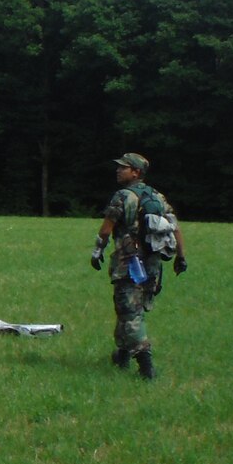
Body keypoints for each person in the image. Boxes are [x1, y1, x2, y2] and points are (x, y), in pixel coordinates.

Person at [91, 152, 188, 380]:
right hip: (152, 266)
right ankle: (122, 355)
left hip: (128, 264)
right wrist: (180, 257)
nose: (118, 170)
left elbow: (106, 229)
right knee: (129, 309)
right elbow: (175, 227)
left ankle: (146, 364)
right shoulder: (157, 197)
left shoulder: (123, 196)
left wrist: (97, 251)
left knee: (129, 311)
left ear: (136, 172)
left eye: (123, 167)